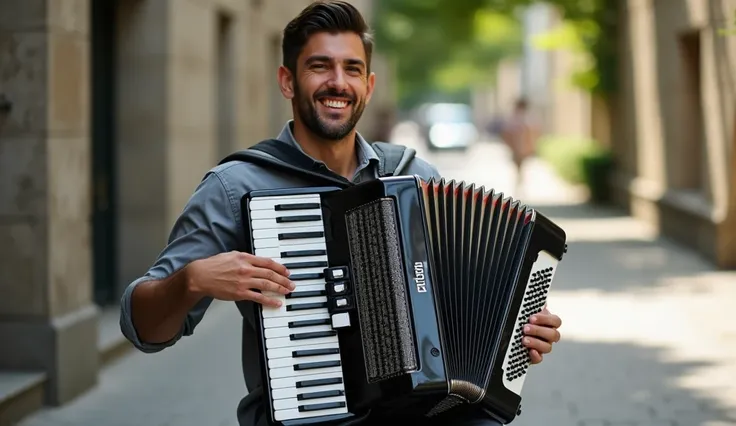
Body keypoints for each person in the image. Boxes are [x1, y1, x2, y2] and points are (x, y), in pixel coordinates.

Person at [119, 2, 562, 425]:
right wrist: (190, 281)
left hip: (429, 413)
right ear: (287, 81)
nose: (337, 82)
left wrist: (516, 335)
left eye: (351, 69)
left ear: (368, 86)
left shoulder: (413, 177)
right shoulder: (236, 186)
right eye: (319, 66)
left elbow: (464, 296)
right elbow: (141, 328)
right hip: (311, 418)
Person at [501, 97, 540, 196]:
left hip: (522, 147)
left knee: (520, 168)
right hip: (517, 147)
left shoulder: (524, 117)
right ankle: (519, 185)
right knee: (519, 168)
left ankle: (519, 185)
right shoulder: (517, 117)